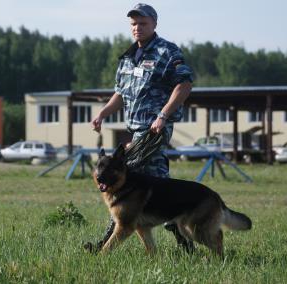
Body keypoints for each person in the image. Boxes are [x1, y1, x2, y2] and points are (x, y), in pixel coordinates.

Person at [88, 3, 194, 252]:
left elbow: (185, 84)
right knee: (159, 189)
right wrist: (103, 113)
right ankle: (185, 245)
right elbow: (121, 94)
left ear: (154, 24)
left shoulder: (167, 52)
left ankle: (105, 244)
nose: (137, 28)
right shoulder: (126, 58)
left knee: (125, 181)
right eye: (134, 24)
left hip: (155, 129)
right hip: (136, 130)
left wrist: (162, 116)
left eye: (143, 23)